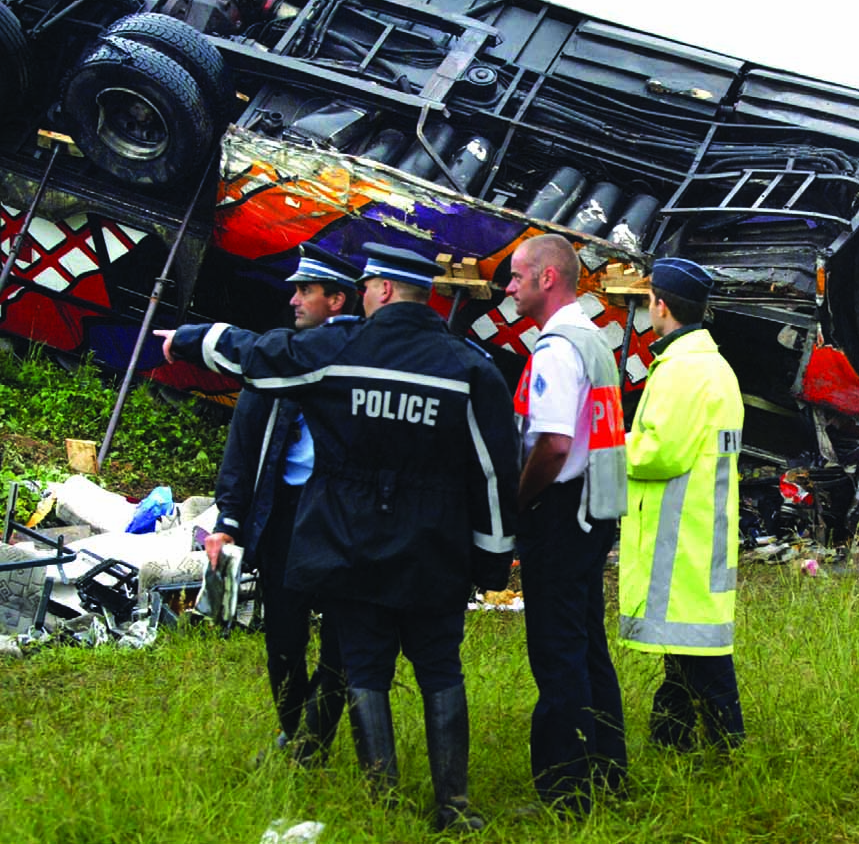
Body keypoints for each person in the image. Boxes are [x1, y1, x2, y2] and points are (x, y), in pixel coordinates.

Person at [157, 242, 517, 832]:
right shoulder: (470, 366)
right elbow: (494, 470)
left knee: (367, 670)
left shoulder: (339, 349)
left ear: (377, 290)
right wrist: (493, 559)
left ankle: (383, 806)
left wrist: (191, 338)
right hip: (434, 549)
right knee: (441, 670)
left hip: (354, 546)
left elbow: (258, 355)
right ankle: (454, 807)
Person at [205, 242, 360, 767]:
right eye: (294, 289)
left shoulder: (358, 358)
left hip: (339, 516)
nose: (293, 300)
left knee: (343, 636)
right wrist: (227, 519)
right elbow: (242, 445)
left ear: (337, 301)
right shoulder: (277, 360)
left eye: (306, 291)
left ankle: (313, 740)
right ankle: (293, 729)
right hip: (284, 511)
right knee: (284, 635)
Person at [505, 233, 628, 814]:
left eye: (516, 276)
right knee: (586, 648)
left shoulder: (556, 348)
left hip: (558, 509)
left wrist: (518, 502)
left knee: (557, 654)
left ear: (546, 279)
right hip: (593, 508)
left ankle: (565, 791)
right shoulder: (595, 339)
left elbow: (552, 445)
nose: (508, 287)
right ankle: (609, 770)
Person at [619, 257, 745, 754]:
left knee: (700, 656)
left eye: (649, 299)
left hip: (681, 542)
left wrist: (609, 445)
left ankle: (727, 747)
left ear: (661, 305)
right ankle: (671, 740)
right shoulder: (711, 367)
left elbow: (658, 452)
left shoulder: (683, 371)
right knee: (686, 653)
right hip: (700, 533)